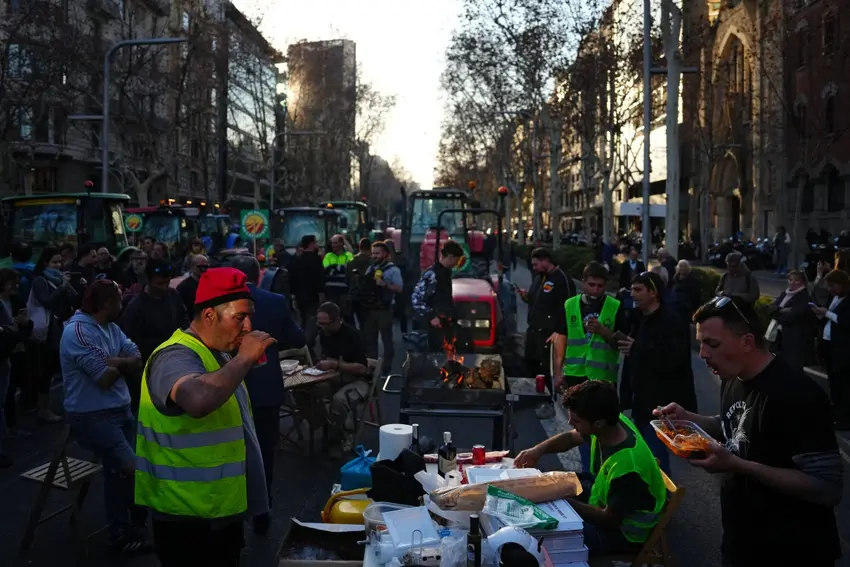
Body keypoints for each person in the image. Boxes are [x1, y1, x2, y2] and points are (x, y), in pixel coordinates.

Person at [657, 296, 842, 566]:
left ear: (746, 341)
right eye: (701, 343)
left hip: (791, 551)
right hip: (740, 543)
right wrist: (690, 420)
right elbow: (737, 423)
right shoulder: (734, 376)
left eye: (712, 344)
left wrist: (737, 464)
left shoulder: (798, 394)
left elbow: (826, 487)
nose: (703, 354)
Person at [135, 267, 275, 566]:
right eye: (240, 317)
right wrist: (245, 358)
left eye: (249, 316)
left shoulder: (217, 352)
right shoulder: (173, 355)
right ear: (210, 315)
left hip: (217, 511)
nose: (248, 326)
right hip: (186, 519)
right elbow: (197, 400)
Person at [514, 381, 666, 557]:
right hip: (600, 497)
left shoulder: (628, 467)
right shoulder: (612, 422)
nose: (570, 422)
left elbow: (610, 519)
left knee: (548, 537)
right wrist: (537, 451)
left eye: (576, 420)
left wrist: (563, 501)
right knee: (547, 485)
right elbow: (571, 438)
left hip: (623, 534)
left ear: (598, 423)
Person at [60, 280, 151, 555]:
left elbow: (136, 355)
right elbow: (104, 378)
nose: (123, 305)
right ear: (108, 305)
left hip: (119, 410)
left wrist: (115, 361)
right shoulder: (77, 332)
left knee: (119, 471)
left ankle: (122, 529)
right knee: (131, 468)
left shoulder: (110, 327)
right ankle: (126, 526)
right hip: (92, 417)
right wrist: (119, 362)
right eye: (119, 301)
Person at [230, 255, 305, 534]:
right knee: (264, 452)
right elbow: (297, 338)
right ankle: (262, 511)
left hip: (230, 387)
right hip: (265, 386)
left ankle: (234, 511)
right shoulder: (275, 301)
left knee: (231, 450)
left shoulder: (222, 304)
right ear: (259, 275)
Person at [617, 271, 696, 475]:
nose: (632, 294)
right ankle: (650, 497)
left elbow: (672, 360)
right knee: (643, 454)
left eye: (638, 290)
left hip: (660, 403)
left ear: (653, 292)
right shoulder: (638, 317)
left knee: (656, 457)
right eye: (631, 289)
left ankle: (664, 499)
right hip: (640, 401)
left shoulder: (671, 321)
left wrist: (637, 348)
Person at [557, 261, 627, 471]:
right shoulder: (570, 304)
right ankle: (589, 470)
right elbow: (562, 338)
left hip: (602, 379)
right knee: (579, 426)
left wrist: (604, 332)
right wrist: (558, 371)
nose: (596, 290)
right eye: (592, 285)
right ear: (584, 283)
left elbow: (623, 343)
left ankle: (600, 469)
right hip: (575, 374)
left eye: (600, 286)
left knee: (601, 428)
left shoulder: (615, 307)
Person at [118, 259, 188, 412]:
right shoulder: (135, 308)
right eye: (159, 284)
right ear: (149, 281)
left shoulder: (173, 295)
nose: (164, 287)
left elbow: (184, 320)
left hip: (177, 361)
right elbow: (133, 343)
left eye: (167, 282)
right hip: (150, 368)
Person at [517, 247, 576, 419]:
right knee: (531, 366)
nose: (534, 267)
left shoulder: (561, 279)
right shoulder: (540, 278)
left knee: (547, 370)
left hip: (549, 333)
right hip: (534, 330)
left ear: (546, 261)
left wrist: (559, 331)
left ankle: (548, 403)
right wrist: (526, 296)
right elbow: (536, 299)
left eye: (536, 263)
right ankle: (533, 400)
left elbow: (568, 307)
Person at [313, 302, 371, 457]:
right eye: (320, 323)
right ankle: (325, 424)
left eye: (326, 324)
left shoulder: (353, 336)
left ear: (338, 320)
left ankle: (338, 437)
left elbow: (362, 369)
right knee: (307, 391)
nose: (322, 327)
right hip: (333, 378)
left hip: (358, 381)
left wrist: (336, 364)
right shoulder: (324, 335)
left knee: (339, 400)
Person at [30, 247, 79, 423]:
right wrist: (61, 287)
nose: (58, 265)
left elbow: (74, 298)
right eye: (54, 262)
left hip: (63, 326)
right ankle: (43, 408)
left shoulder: (60, 278)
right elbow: (46, 302)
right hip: (49, 330)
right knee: (47, 368)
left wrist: (70, 285)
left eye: (60, 261)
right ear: (45, 263)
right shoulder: (40, 280)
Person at [0, 268, 33, 467]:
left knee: (5, 398)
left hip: (8, 356)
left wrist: (24, 325)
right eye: (12, 282)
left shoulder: (13, 302)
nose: (16, 286)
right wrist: (12, 329)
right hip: (4, 355)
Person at [811, 269, 850, 430]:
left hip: (842, 348)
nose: (829, 289)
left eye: (832, 285)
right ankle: (837, 414)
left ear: (842, 285)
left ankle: (845, 418)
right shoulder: (834, 298)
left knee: (843, 384)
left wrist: (827, 313)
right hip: (828, 345)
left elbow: (845, 322)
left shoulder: (847, 301)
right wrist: (821, 315)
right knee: (833, 382)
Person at [411, 240, 464, 351]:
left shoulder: (446, 273)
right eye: (456, 260)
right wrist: (431, 316)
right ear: (451, 257)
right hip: (433, 327)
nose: (456, 263)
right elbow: (416, 299)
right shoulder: (432, 274)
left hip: (445, 324)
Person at [360, 242, 402, 374]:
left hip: (384, 309)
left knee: (386, 339)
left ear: (385, 254)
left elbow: (399, 288)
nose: (374, 256)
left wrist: (384, 284)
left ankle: (386, 365)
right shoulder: (371, 268)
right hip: (370, 309)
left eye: (377, 253)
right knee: (370, 339)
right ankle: (372, 366)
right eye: (373, 253)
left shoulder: (393, 270)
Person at [766, 270, 815, 369]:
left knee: (793, 364)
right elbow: (771, 309)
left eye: (796, 280)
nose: (792, 282)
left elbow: (795, 314)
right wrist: (781, 310)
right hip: (778, 333)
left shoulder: (804, 296)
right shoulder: (784, 293)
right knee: (777, 361)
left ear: (802, 282)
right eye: (790, 279)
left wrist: (778, 312)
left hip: (793, 335)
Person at [290, 235, 325, 326]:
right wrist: (321, 293)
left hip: (299, 296)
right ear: (311, 244)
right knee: (312, 321)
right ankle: (308, 339)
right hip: (312, 296)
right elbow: (320, 277)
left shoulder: (297, 259)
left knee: (303, 320)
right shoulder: (316, 259)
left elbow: (292, 277)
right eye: (315, 242)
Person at [323, 234, 355, 323]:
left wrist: (334, 268)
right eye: (332, 243)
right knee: (332, 317)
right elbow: (326, 269)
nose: (333, 245)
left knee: (348, 316)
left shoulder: (348, 255)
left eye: (336, 243)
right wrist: (341, 268)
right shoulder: (328, 256)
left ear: (341, 243)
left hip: (345, 292)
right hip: (331, 292)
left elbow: (349, 269)